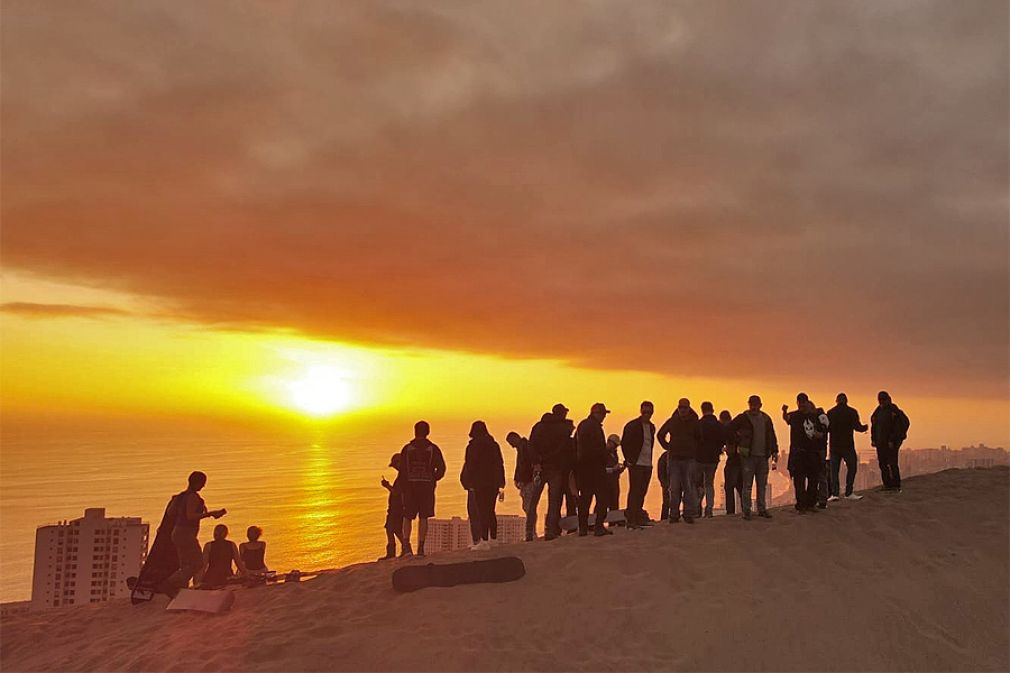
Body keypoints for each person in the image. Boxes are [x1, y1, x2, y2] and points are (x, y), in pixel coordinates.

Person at [158, 471, 226, 597]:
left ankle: (179, 591)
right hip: (186, 533)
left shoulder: (179, 497)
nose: (203, 486)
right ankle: (169, 583)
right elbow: (190, 516)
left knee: (185, 564)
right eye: (203, 483)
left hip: (177, 532)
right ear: (197, 482)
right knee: (197, 563)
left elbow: (171, 513)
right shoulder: (193, 497)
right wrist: (211, 514)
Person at [399, 421, 447, 557]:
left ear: (415, 431)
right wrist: (433, 479)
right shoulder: (433, 449)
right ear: (428, 432)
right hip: (426, 488)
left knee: (407, 516)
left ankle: (406, 546)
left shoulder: (407, 449)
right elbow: (442, 468)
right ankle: (421, 547)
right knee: (424, 517)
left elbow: (402, 470)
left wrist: (404, 487)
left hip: (410, 488)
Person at [529, 404, 576, 540]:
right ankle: (550, 530)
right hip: (555, 467)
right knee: (553, 501)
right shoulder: (563, 429)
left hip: (539, 467)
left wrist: (537, 462)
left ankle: (529, 533)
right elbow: (563, 449)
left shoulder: (538, 427)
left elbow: (531, 445)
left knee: (533, 501)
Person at [729, 396, 779, 520]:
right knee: (747, 484)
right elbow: (730, 429)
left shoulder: (766, 419)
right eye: (752, 404)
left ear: (760, 405)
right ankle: (747, 511)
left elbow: (771, 436)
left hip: (763, 456)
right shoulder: (743, 418)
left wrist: (774, 451)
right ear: (749, 405)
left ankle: (762, 509)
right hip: (748, 456)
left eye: (756, 405)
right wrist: (738, 440)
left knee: (762, 484)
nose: (754, 407)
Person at [461, 421, 506, 550]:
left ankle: (484, 540)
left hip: (479, 483)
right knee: (491, 510)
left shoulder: (472, 447)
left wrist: (470, 483)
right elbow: (499, 463)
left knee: (481, 511)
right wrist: (501, 481)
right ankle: (494, 539)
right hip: (493, 482)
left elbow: (470, 466)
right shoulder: (494, 445)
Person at [657, 398, 701, 524]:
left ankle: (687, 513)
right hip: (674, 459)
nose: (682, 410)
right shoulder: (673, 421)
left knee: (688, 488)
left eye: (685, 407)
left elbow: (699, 437)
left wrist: (693, 449)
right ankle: (674, 514)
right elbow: (660, 434)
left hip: (688, 459)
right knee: (674, 488)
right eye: (680, 407)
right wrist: (668, 447)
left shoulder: (694, 422)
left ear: (689, 408)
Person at [575, 403, 614, 536]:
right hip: (595, 468)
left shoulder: (583, 425)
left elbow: (577, 446)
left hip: (583, 468)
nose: (604, 417)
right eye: (602, 414)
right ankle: (598, 527)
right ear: (596, 414)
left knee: (585, 499)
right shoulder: (594, 427)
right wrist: (605, 454)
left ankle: (583, 528)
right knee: (603, 498)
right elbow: (596, 448)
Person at [782, 394, 826, 513]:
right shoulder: (795, 415)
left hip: (812, 453)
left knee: (813, 480)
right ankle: (801, 505)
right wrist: (784, 411)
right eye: (799, 402)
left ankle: (811, 504)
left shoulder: (815, 416)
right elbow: (787, 419)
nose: (801, 404)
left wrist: (818, 435)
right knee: (799, 482)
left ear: (807, 402)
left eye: (803, 402)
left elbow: (824, 431)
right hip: (798, 453)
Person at [621, 400, 657, 529]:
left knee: (642, 491)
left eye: (649, 412)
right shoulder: (632, 426)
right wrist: (629, 460)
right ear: (641, 411)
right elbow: (625, 443)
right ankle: (631, 519)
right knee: (634, 491)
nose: (647, 414)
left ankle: (638, 516)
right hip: (636, 463)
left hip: (647, 463)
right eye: (645, 412)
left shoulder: (652, 427)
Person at [827, 393, 868, 501]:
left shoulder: (830, 413)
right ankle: (848, 492)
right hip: (847, 445)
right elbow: (858, 427)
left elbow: (826, 429)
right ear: (846, 401)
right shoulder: (852, 412)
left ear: (836, 401)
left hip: (834, 446)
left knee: (834, 471)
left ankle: (835, 494)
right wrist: (866, 427)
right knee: (852, 467)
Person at [871, 391, 911, 492]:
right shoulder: (878, 411)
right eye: (880, 400)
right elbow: (874, 425)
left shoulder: (894, 411)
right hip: (880, 442)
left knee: (892, 463)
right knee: (882, 464)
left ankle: (896, 485)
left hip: (891, 443)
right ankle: (887, 485)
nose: (881, 402)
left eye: (883, 399)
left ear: (888, 399)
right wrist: (874, 439)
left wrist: (893, 439)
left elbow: (900, 425)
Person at [506, 431, 540, 541]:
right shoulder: (522, 448)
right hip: (525, 481)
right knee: (528, 507)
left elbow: (528, 465)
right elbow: (520, 466)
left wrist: (528, 478)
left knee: (529, 507)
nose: (511, 446)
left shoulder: (525, 447)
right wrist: (517, 478)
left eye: (511, 442)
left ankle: (531, 532)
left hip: (528, 481)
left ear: (515, 438)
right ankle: (531, 531)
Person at [696, 402, 725, 518]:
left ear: (702, 410)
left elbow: (695, 440)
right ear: (712, 410)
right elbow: (723, 440)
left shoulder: (699, 424)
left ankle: (697, 507)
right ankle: (709, 509)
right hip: (713, 459)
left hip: (699, 458)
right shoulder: (718, 425)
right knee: (709, 484)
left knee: (697, 484)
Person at [200, 524, 247, 589]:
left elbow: (203, 565)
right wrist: (246, 575)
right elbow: (238, 563)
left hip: (211, 577)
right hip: (227, 576)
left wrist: (199, 580)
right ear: (226, 534)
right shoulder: (231, 545)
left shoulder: (208, 545)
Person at [379, 455, 405, 560]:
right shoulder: (402, 475)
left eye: (395, 465)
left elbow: (396, 493)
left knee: (394, 530)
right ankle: (397, 551)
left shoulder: (403, 476)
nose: (394, 468)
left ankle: (402, 550)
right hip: (396, 508)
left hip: (397, 508)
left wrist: (387, 486)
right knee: (391, 529)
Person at [720, 410, 743, 515]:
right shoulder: (738, 429)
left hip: (733, 461)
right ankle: (745, 509)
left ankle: (730, 511)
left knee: (729, 487)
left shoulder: (728, 431)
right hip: (742, 461)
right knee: (741, 488)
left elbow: (730, 447)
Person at [605, 434, 622, 513]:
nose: (615, 447)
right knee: (603, 502)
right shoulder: (603, 453)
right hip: (606, 481)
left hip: (614, 480)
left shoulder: (614, 454)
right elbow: (600, 469)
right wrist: (612, 469)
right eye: (615, 445)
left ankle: (614, 521)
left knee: (614, 501)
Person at [657, 450, 670, 521]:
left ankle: (665, 518)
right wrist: (664, 483)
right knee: (666, 502)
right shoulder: (664, 457)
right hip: (667, 482)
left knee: (667, 502)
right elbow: (660, 471)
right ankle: (664, 518)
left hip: (668, 482)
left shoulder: (664, 456)